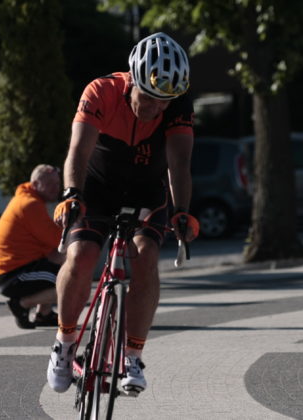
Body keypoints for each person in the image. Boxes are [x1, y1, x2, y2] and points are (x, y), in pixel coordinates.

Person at [47, 32, 199, 395]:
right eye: (147, 98)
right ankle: (65, 344)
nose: (153, 109)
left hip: (147, 190)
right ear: (132, 81)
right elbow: (78, 152)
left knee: (146, 256)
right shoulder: (101, 91)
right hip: (97, 186)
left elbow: (179, 164)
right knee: (82, 255)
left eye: (162, 104)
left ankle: (133, 355)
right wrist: (72, 194)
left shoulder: (176, 105)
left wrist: (181, 211)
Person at [0, 164, 65, 329]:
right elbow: (58, 240)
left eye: (57, 184)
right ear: (35, 184)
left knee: (62, 265)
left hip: (13, 270)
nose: (56, 188)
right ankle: (22, 304)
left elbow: (52, 248)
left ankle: (44, 315)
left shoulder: (27, 200)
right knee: (69, 282)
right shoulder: (30, 205)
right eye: (50, 184)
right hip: (10, 275)